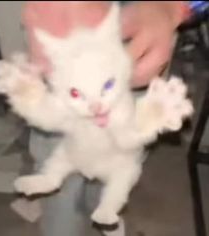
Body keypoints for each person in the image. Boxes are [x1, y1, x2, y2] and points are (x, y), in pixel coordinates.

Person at [18, 1, 205, 236]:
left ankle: (103, 207)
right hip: (63, 33)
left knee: (125, 150)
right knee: (56, 156)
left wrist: (171, 6)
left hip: (141, 29)